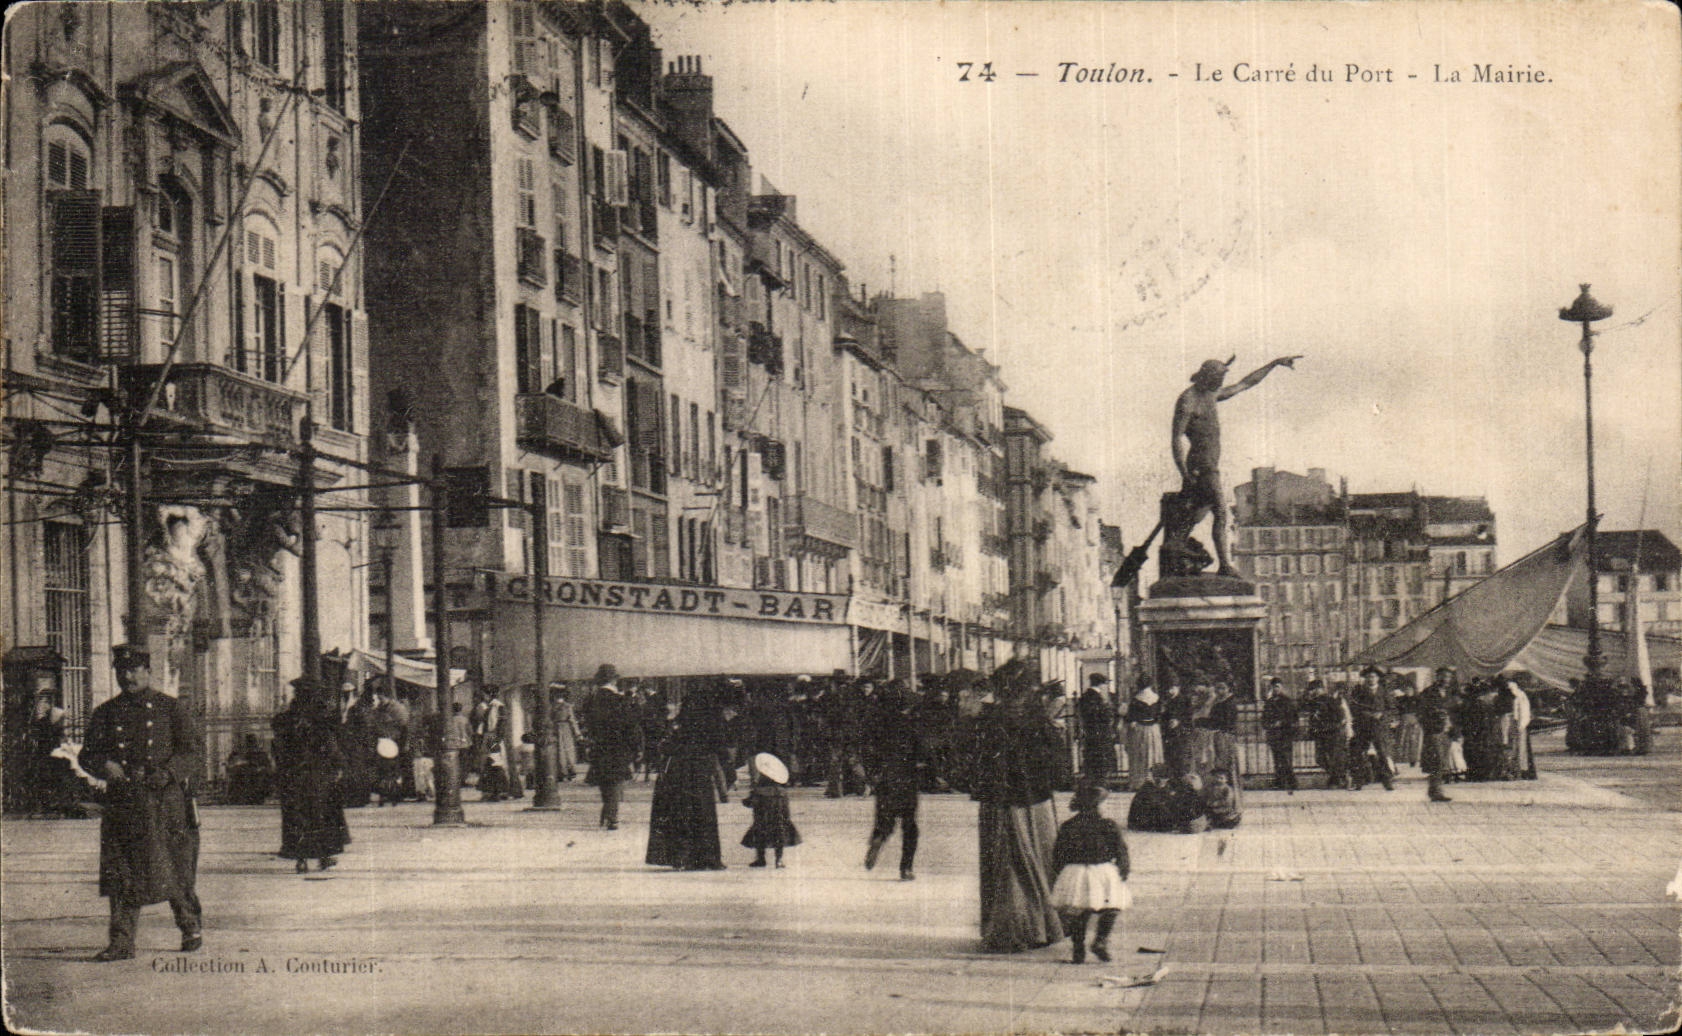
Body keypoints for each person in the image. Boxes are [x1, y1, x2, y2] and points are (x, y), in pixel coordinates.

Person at [78, 645, 202, 961]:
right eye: (122, 671)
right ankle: (121, 942)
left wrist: (169, 772)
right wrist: (104, 765)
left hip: (164, 802)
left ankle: (190, 926)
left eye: (134, 670)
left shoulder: (170, 708)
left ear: (148, 671)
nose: (128, 677)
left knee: (172, 868)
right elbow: (87, 754)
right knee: (122, 872)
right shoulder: (106, 712)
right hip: (124, 802)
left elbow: (192, 751)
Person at [1169, 354, 1301, 575]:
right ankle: (1223, 565)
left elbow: (1245, 383)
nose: (1221, 384)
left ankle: (1176, 542)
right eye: (1218, 380)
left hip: (1208, 464)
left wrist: (1273, 363)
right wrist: (1184, 473)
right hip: (1202, 466)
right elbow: (1176, 439)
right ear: (1207, 377)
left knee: (1200, 510)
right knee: (1221, 511)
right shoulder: (1188, 401)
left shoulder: (1210, 394)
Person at [969, 660, 1064, 953]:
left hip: (1000, 801)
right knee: (1039, 856)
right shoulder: (1038, 719)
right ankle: (1042, 925)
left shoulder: (989, 719)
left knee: (1007, 863)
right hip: (1035, 800)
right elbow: (1057, 761)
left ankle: (1013, 926)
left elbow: (974, 761)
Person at [647, 683, 733, 870]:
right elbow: (720, 747)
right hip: (700, 770)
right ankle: (707, 856)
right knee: (703, 813)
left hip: (679, 771)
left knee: (680, 812)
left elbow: (666, 745)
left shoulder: (680, 722)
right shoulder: (711, 721)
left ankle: (681, 856)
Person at [271, 681, 350, 873]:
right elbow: (330, 745)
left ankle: (301, 858)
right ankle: (324, 856)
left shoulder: (284, 719)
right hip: (317, 775)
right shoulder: (319, 719)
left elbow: (277, 748)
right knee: (321, 815)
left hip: (292, 776)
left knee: (297, 817)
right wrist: (338, 764)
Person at [1050, 782, 1131, 965]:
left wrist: (1062, 872)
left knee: (1080, 911)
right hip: (1102, 870)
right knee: (1111, 907)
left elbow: (1058, 854)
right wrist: (1123, 869)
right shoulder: (1108, 825)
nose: (1106, 806)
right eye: (1104, 803)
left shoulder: (1068, 826)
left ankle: (1078, 948)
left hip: (1075, 871)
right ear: (1096, 805)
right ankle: (1100, 940)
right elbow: (1120, 850)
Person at [864, 682, 924, 881]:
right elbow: (922, 751)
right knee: (909, 824)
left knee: (884, 819)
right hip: (907, 777)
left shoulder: (878, 723)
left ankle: (879, 838)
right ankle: (906, 868)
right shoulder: (911, 724)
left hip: (886, 778)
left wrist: (872, 775)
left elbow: (868, 749)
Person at [581, 665, 641, 829]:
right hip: (618, 745)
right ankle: (612, 817)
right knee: (615, 781)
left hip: (599, 745)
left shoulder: (591, 700)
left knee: (604, 780)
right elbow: (630, 725)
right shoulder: (619, 700)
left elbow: (588, 724)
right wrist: (636, 747)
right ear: (614, 680)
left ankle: (607, 812)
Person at [740, 753, 800, 868]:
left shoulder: (759, 789)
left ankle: (761, 859)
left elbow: (749, 803)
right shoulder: (782, 791)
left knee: (759, 833)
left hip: (762, 818)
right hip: (779, 818)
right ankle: (779, 860)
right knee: (779, 834)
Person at [1349, 666, 1396, 791]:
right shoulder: (1358, 691)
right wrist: (1365, 714)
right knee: (1359, 753)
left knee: (1382, 753)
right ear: (1365, 678)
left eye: (1373, 676)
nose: (1371, 679)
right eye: (1368, 677)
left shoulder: (1384, 691)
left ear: (1378, 678)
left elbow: (1391, 708)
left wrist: (1382, 715)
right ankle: (1358, 781)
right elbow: (1353, 707)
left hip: (1379, 727)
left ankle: (1387, 781)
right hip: (1362, 726)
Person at [1417, 668, 1455, 802]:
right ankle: (1436, 791)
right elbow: (1420, 713)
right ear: (1437, 677)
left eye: (1448, 677)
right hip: (1434, 730)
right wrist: (1431, 722)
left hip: (1447, 731)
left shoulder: (1451, 693)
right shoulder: (1428, 693)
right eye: (1443, 676)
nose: (1445, 679)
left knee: (1442, 760)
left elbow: (1456, 711)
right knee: (1436, 760)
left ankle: (1435, 790)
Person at [1306, 680, 1351, 790]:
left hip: (1333, 734)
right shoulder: (1313, 702)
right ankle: (1338, 776)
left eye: (1314, 689)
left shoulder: (1330, 700)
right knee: (1320, 758)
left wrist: (1331, 727)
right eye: (1311, 690)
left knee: (1334, 757)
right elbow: (1312, 717)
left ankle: (1337, 778)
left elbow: (1341, 717)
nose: (1312, 692)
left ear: (1320, 689)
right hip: (1320, 734)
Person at [1260, 677, 1299, 792]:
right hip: (1273, 734)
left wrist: (1281, 722)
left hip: (1285, 734)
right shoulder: (1269, 702)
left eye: (1277, 686)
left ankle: (1292, 782)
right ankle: (1280, 782)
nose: (1275, 689)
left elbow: (1294, 718)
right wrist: (1267, 725)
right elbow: (1264, 718)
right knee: (1277, 759)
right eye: (1273, 687)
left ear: (1282, 687)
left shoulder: (1287, 701)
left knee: (1286, 759)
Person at [1124, 682, 1165, 791]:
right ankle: (1154, 781)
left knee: (1140, 755)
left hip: (1140, 730)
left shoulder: (1136, 699)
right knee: (1154, 754)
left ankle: (1139, 782)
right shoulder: (1157, 698)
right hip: (1154, 730)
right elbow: (1160, 716)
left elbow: (1130, 718)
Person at [1077, 674, 1117, 784]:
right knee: (1100, 755)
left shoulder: (1085, 696)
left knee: (1091, 754)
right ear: (1101, 685)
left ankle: (1093, 778)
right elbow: (1099, 715)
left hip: (1090, 730)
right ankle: (1099, 779)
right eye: (1105, 684)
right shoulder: (1096, 697)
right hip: (1100, 730)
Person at [224, 733, 275, 806]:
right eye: (248, 743)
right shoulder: (236, 755)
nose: (249, 746)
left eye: (252, 742)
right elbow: (229, 771)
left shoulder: (261, 755)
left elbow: (268, 770)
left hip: (255, 790)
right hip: (241, 791)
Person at [1160, 680, 1196, 777]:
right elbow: (1163, 717)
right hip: (1170, 733)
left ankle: (1182, 777)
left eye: (1172, 688)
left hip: (1182, 733)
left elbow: (1189, 716)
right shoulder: (1167, 701)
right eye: (1168, 689)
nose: (1170, 691)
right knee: (1170, 757)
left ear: (1178, 688)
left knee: (1182, 757)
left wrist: (1179, 721)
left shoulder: (1185, 700)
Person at [1126, 766, 1175, 832]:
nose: (1165, 783)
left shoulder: (1159, 787)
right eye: (1164, 780)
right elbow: (1155, 805)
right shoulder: (1147, 788)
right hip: (1143, 822)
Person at [551, 686, 582, 781]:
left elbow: (572, 720)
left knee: (565, 750)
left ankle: (568, 771)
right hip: (559, 728)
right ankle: (564, 772)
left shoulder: (566, 706)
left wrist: (577, 733)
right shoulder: (554, 706)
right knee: (562, 750)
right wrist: (577, 733)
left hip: (564, 728)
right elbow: (572, 720)